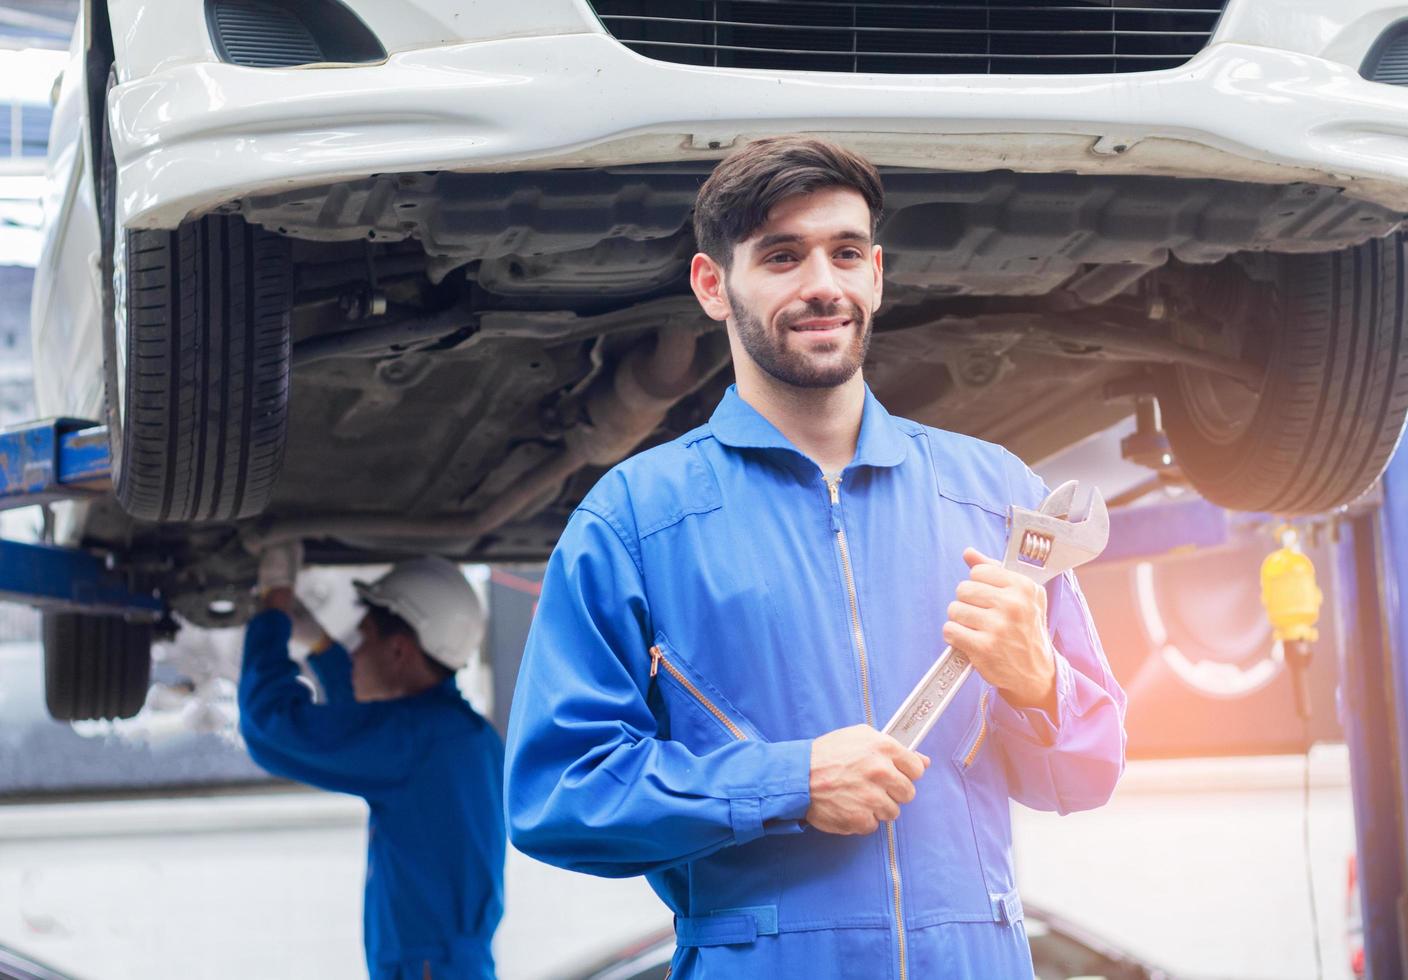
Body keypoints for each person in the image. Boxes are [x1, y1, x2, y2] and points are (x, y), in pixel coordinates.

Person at [504, 136, 1126, 978]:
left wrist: (1038, 681)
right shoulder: (634, 521)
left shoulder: (996, 496)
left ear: (876, 272)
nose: (822, 286)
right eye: (783, 257)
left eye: (843, 253)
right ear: (713, 286)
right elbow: (558, 796)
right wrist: (785, 782)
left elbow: (1086, 775)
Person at [239, 548, 505, 980]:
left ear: (399, 650)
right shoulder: (460, 734)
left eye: (362, 639)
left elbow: (271, 729)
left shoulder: (419, 741)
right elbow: (368, 730)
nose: (355, 652)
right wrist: (323, 649)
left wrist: (274, 610)